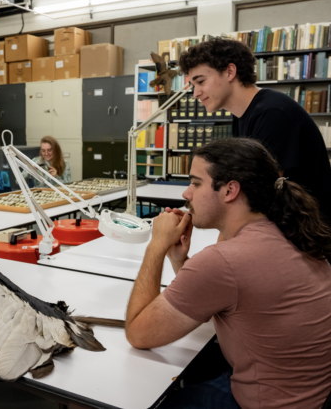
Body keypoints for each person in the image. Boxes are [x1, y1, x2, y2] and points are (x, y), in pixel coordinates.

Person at [125, 138, 331, 409]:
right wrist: (179, 259)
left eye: (196, 183)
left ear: (230, 190)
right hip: (310, 394)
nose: (186, 194)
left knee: (142, 399)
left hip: (267, 402)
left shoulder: (224, 260)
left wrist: (157, 245)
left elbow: (138, 335)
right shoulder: (291, 230)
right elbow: (222, 295)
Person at [179, 37, 331, 227]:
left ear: (230, 71)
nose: (196, 93)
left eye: (200, 81)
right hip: (281, 225)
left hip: (307, 232)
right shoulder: (242, 115)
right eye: (193, 85)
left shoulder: (273, 113)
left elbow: (260, 193)